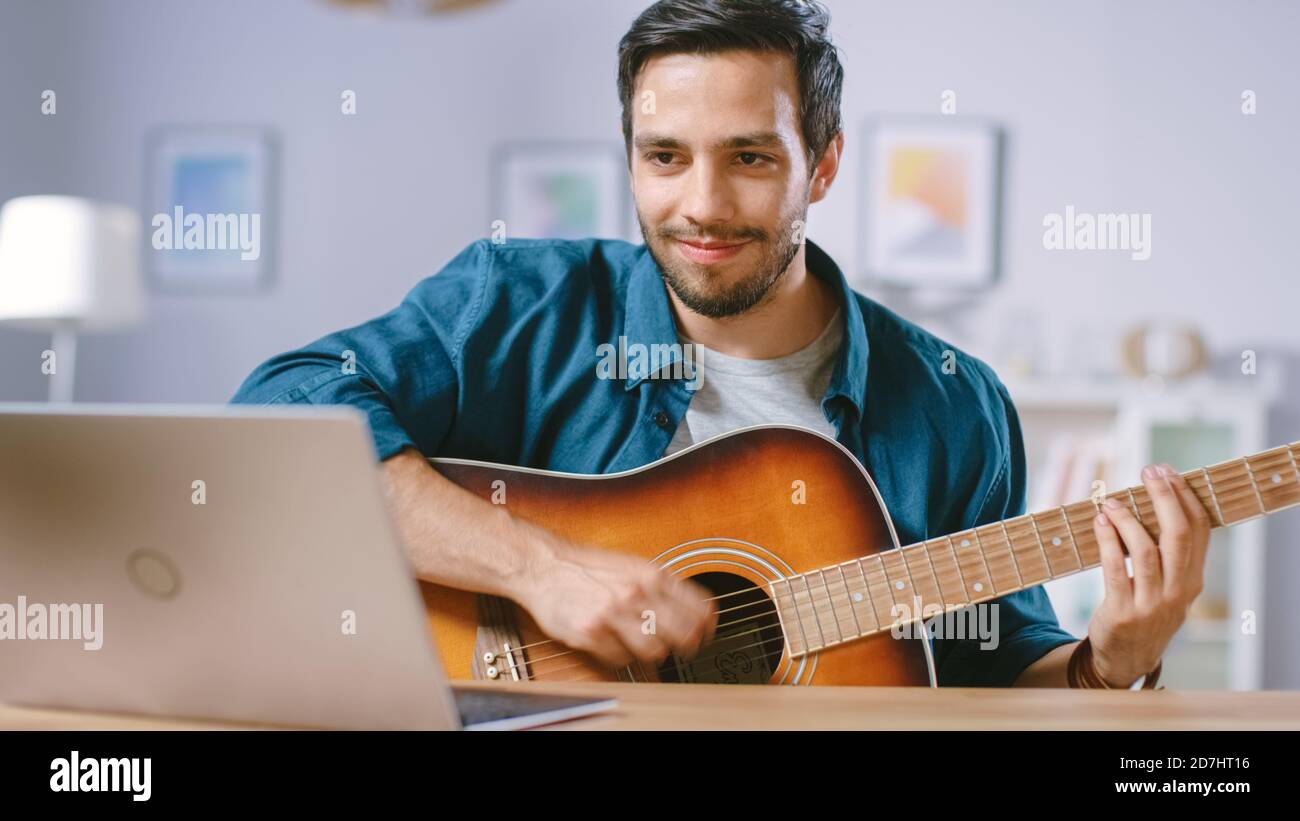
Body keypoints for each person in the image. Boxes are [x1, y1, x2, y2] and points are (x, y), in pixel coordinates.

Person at [232, 0, 1208, 688]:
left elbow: (989, 664)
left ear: (821, 165)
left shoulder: (956, 403)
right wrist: (539, 568)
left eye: (748, 157)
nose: (700, 205)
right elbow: (282, 410)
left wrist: (1107, 663)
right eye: (664, 157)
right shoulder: (516, 302)